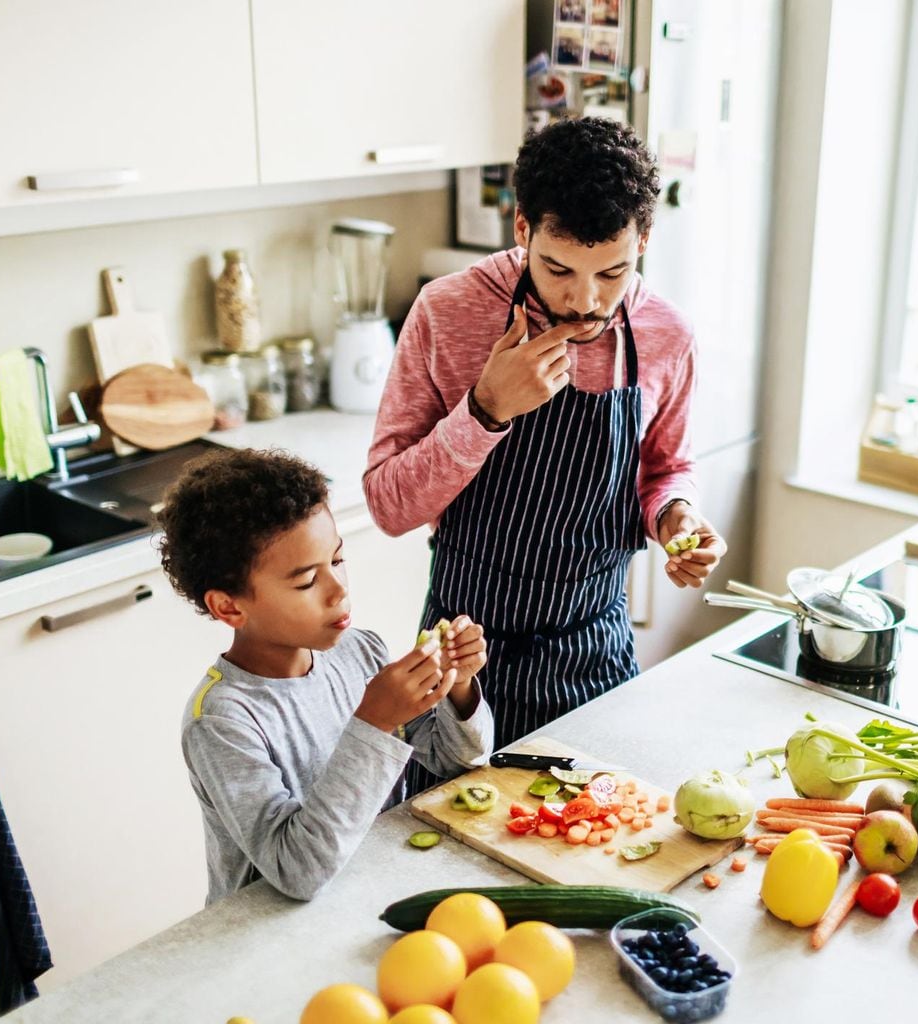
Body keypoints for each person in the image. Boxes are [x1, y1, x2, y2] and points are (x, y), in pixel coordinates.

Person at [364, 116, 727, 792]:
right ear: (522, 229)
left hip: (595, 656)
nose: (584, 300)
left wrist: (676, 515)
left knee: (596, 850)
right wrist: (484, 411)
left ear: (643, 240)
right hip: (462, 664)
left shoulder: (667, 335)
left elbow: (667, 467)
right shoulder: (447, 313)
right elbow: (387, 505)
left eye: (613, 272)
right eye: (559, 269)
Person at [158, 448, 493, 904]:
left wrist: (458, 687)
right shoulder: (222, 722)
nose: (339, 591)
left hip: (367, 899)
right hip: (264, 939)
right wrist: (373, 723)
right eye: (305, 582)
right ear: (229, 606)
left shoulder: (360, 652)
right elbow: (297, 870)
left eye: (336, 561)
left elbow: (456, 764)